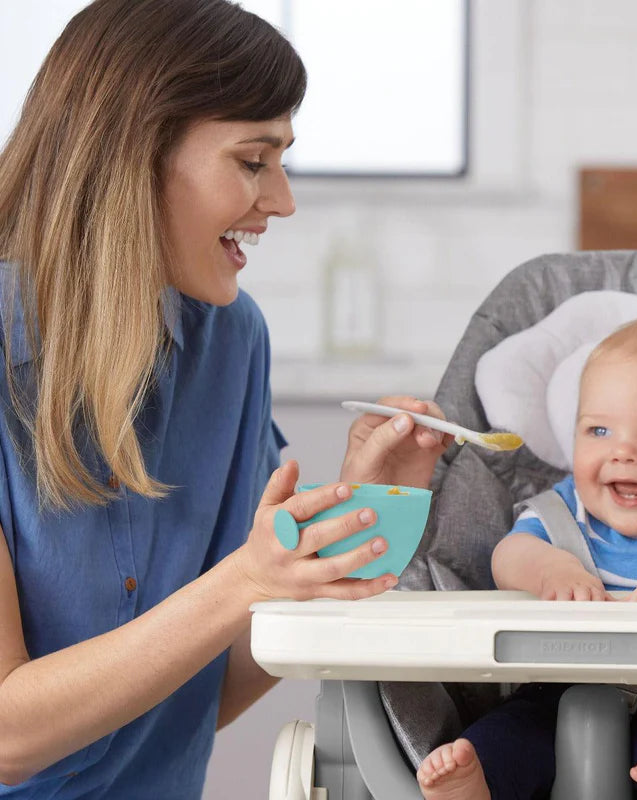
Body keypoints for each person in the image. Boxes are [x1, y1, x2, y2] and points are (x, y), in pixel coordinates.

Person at [0, 1, 450, 796]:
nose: (281, 200)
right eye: (252, 160)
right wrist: (247, 580)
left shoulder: (231, 341)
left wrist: (363, 518)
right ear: (133, 152)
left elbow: (206, 699)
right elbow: (7, 738)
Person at [417, 312, 637, 800]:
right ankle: (476, 785)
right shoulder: (560, 514)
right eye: (598, 431)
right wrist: (551, 569)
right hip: (550, 691)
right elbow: (509, 554)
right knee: (507, 737)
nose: (622, 451)